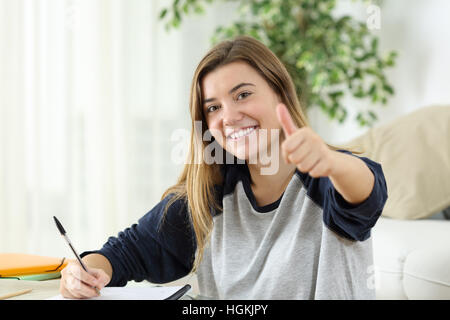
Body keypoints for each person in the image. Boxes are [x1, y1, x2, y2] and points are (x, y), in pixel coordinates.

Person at [59, 35, 388, 299]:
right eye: (213, 107)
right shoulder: (210, 195)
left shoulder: (327, 180)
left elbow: (366, 192)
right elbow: (124, 253)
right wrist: (83, 274)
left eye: (243, 95)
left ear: (281, 95)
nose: (228, 116)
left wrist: (332, 163)